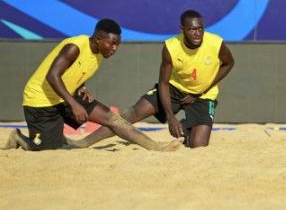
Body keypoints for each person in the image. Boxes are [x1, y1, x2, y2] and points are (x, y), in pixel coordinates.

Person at [4, 19, 181, 152]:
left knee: (113, 119)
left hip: (65, 96)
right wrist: (74, 104)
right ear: (97, 39)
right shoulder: (75, 47)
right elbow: (52, 75)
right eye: (111, 43)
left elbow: (77, 72)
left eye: (117, 44)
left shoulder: (98, 55)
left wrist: (81, 87)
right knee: (47, 149)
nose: (114, 48)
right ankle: (19, 137)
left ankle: (156, 146)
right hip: (40, 101)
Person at [69, 10, 234, 149]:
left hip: (203, 95)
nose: (197, 33)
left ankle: (186, 130)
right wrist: (170, 117)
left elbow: (229, 64)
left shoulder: (216, 43)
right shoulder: (171, 47)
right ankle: (84, 142)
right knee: (132, 114)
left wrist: (201, 91)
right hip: (174, 88)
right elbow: (163, 82)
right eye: (192, 29)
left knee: (199, 147)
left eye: (200, 28)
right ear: (182, 29)